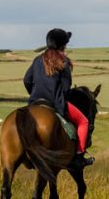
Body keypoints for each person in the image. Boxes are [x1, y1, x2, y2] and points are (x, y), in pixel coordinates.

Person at [23, 28, 94, 168]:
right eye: (65, 46)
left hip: (35, 102)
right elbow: (66, 88)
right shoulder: (64, 62)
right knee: (84, 122)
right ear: (62, 46)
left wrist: (35, 93)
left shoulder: (37, 60)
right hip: (55, 103)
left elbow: (26, 80)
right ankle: (79, 156)